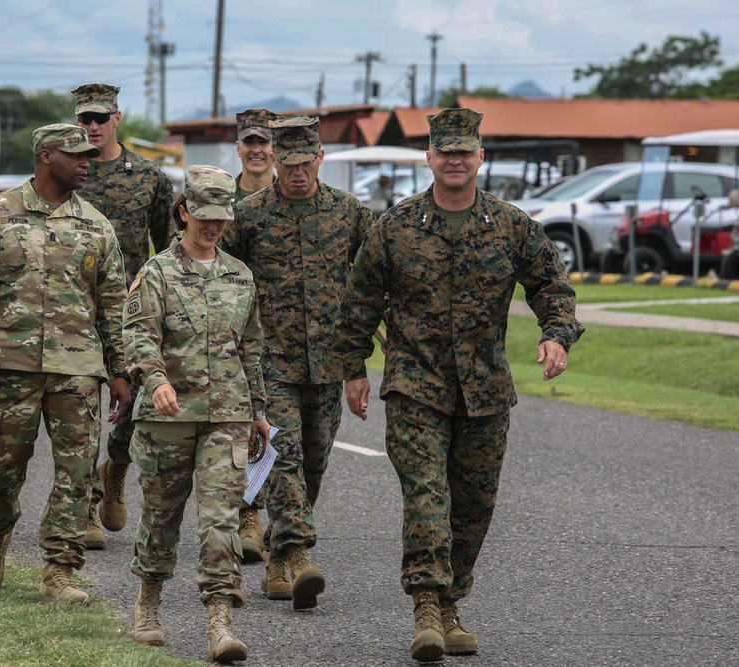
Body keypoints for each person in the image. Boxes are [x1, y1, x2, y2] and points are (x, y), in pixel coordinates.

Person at [334, 108, 584, 662]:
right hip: (414, 384)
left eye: (464, 152)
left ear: (479, 158)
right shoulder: (394, 228)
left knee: (474, 503)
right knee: (427, 494)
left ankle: (451, 603)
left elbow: (552, 286)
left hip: (486, 390)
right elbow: (359, 304)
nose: (454, 160)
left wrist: (558, 335)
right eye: (444, 151)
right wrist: (353, 369)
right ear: (429, 158)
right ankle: (426, 605)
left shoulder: (512, 226)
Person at [0, 123, 131, 603]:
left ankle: (59, 570)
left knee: (78, 473)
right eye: (77, 156)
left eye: (90, 155)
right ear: (46, 156)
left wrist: (123, 371)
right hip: (10, 366)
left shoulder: (96, 225)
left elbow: (113, 306)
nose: (87, 162)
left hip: (78, 369)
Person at [221, 115, 374, 610]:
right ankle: (301, 552)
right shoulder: (249, 216)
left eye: (306, 162)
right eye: (288, 163)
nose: (297, 172)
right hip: (270, 364)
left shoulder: (348, 213)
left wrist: (361, 360)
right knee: (282, 458)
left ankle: (276, 560)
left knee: (312, 466)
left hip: (327, 363)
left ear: (320, 158)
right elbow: (223, 278)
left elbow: (373, 281)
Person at [126, 165, 268, 664]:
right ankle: (148, 605)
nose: (213, 228)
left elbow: (251, 347)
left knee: (221, 519)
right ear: (182, 212)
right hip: (167, 416)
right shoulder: (158, 272)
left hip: (227, 414)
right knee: (162, 517)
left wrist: (259, 411)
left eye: (222, 219)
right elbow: (139, 333)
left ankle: (220, 624)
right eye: (203, 217)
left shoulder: (239, 274)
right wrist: (155, 379)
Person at [70, 82, 177, 549]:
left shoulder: (148, 177)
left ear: (117, 118)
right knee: (78, 411)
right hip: (73, 310)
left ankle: (114, 469)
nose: (92, 126)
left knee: (132, 407)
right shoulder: (66, 169)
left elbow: (168, 249)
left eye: (100, 118)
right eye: (84, 119)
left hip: (130, 314)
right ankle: (86, 505)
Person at [231, 107, 277, 561]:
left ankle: (269, 520)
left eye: (265, 142)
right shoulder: (220, 199)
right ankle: (248, 515)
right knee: (244, 425)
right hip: (234, 335)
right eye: (250, 142)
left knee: (274, 430)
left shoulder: (291, 201)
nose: (257, 150)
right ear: (238, 147)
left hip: (285, 338)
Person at [233, 108, 277, 203]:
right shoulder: (222, 198)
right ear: (238, 149)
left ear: (276, 149)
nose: (256, 150)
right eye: (248, 142)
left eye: (263, 142)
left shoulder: (289, 198)